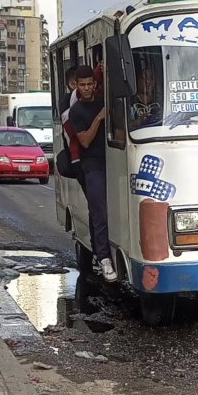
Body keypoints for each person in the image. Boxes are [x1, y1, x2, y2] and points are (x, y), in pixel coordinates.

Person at [69, 65, 117, 283]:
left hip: (112, 159)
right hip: (92, 164)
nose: (87, 88)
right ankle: (104, 258)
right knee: (99, 210)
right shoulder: (76, 111)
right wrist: (99, 118)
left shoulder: (102, 102)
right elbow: (85, 140)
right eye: (83, 85)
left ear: (94, 84)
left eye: (90, 84)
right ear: (77, 86)